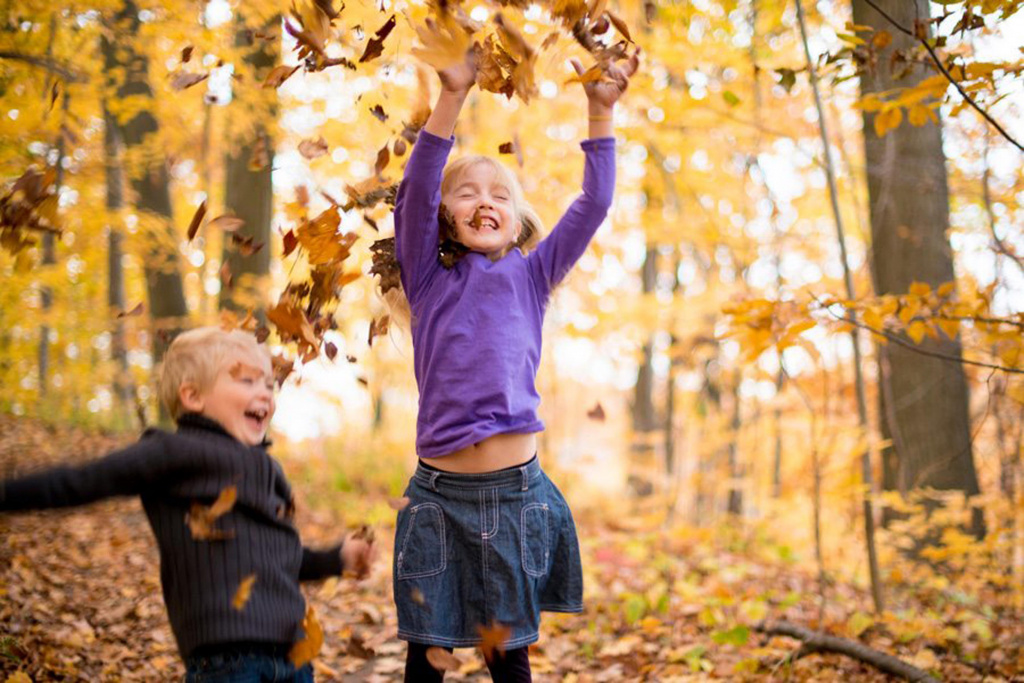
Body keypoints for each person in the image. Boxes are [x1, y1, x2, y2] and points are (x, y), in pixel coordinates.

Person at [384, 45, 639, 682]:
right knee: (427, 654)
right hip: (437, 500)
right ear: (445, 217)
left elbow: (595, 203)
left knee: (509, 659)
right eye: (465, 193)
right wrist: (452, 96)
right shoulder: (426, 279)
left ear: (517, 217)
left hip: (515, 494)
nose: (483, 201)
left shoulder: (534, 277)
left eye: (498, 192)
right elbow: (415, 189)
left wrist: (599, 109)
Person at [0, 327, 375, 682]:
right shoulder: (172, 452)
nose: (265, 393)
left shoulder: (268, 468)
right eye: (246, 381)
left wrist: (337, 558)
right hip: (229, 661)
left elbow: (280, 557)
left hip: (295, 656)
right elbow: (83, 481)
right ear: (193, 396)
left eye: (268, 383)